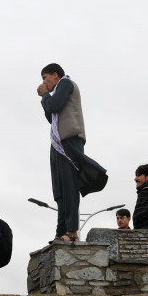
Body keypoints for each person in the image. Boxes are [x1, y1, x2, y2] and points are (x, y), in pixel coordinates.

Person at [37, 63, 86, 242]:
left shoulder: (66, 84)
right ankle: (61, 231)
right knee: (59, 190)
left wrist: (44, 95)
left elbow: (54, 106)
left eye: (45, 77)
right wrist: (46, 99)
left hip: (70, 140)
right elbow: (51, 116)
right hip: (58, 142)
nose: (44, 82)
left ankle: (72, 231)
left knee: (69, 185)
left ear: (55, 75)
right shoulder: (57, 91)